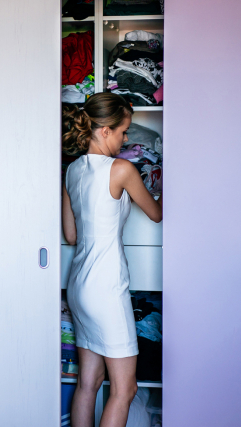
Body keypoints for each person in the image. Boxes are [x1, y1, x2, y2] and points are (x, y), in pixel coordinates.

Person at [61, 92, 162, 427]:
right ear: (105, 131)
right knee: (124, 388)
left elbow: (71, 236)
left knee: (88, 383)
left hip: (78, 286)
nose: (126, 137)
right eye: (123, 131)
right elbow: (156, 214)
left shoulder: (73, 170)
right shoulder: (121, 169)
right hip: (106, 288)